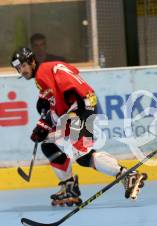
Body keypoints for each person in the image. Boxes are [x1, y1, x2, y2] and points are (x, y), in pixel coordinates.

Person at [10, 47, 147, 206]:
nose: (22, 71)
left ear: (32, 61)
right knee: (49, 145)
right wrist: (44, 121)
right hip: (79, 106)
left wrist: (45, 123)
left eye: (23, 66)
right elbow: (55, 99)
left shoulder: (42, 74)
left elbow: (64, 100)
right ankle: (69, 187)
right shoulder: (47, 69)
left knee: (82, 155)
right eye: (18, 69)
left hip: (81, 108)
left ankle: (127, 175)